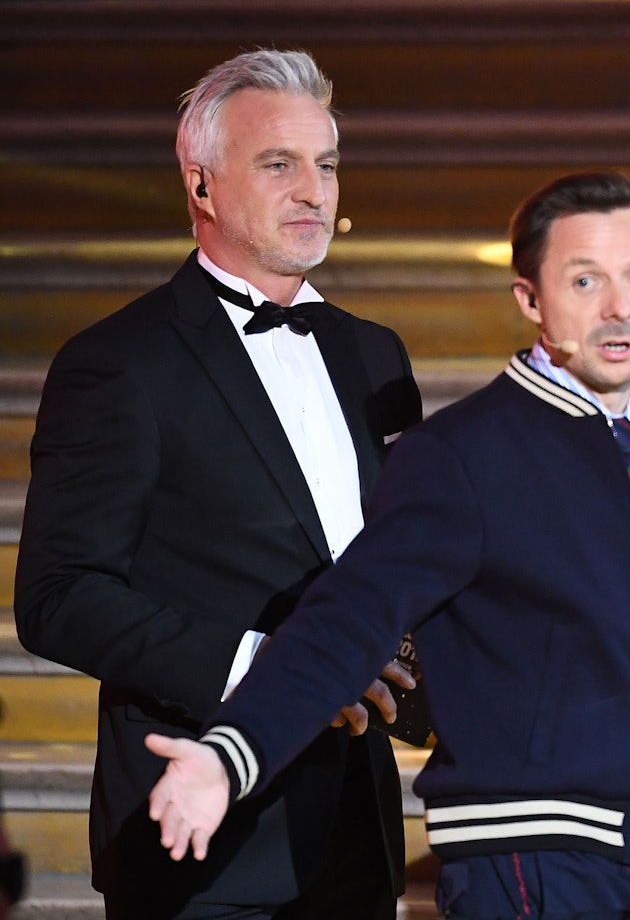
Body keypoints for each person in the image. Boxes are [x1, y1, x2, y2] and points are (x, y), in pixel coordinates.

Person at [144, 171, 630, 918]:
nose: (618, 305)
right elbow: (348, 618)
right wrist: (230, 755)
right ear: (530, 297)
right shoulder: (468, 453)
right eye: (585, 279)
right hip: (524, 866)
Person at [15, 49, 421, 918]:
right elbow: (57, 595)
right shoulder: (118, 362)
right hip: (201, 850)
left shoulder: (373, 352)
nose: (315, 190)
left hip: (353, 839)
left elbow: (399, 559)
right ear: (201, 186)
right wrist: (264, 665)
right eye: (280, 164)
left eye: (328, 164)